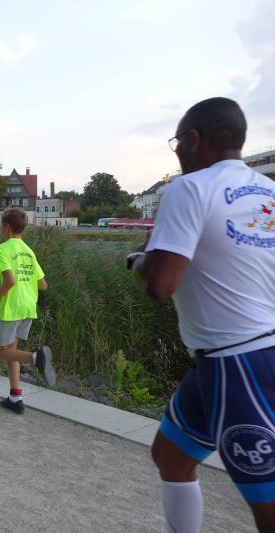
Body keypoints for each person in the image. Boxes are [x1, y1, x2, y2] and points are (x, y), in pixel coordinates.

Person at [131, 97, 275, 533]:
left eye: (177, 142)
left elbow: (161, 285)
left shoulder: (188, 188)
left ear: (193, 140)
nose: (176, 152)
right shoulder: (268, 191)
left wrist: (139, 260)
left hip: (236, 361)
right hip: (228, 356)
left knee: (268, 506)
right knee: (171, 456)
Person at [0, 207, 56, 414]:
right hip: (28, 306)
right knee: (11, 351)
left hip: (12, 306)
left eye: (1, 225)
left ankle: (35, 358)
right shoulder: (28, 251)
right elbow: (43, 285)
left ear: (7, 226)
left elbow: (9, 280)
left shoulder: (1, 250)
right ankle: (16, 397)